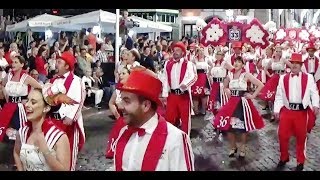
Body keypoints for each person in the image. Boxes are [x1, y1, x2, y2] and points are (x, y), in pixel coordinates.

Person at [112, 67, 194, 171]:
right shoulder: (124, 132)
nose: (120, 106)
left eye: (127, 101)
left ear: (146, 105)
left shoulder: (174, 139)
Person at [274, 53, 319, 171]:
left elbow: (314, 92)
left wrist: (315, 105)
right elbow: (279, 95)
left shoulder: (308, 77)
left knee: (301, 137)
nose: (294, 65)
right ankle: (283, 158)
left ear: (300, 65)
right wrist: (276, 109)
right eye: (293, 63)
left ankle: (300, 161)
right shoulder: (283, 78)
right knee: (282, 135)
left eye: (297, 63)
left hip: (302, 112)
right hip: (287, 111)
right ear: (290, 64)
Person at [213, 56, 264, 158]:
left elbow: (260, 84)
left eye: (239, 62)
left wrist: (253, 95)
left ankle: (243, 148)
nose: (236, 63)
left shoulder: (246, 75)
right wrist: (227, 92)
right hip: (232, 102)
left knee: (242, 127)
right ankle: (233, 147)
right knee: (229, 126)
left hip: (242, 102)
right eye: (235, 61)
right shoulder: (230, 75)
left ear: (243, 64)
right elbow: (225, 86)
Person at [13, 88, 71, 171]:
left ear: (46, 108)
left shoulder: (58, 137)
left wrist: (45, 150)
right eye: (27, 100)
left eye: (33, 102)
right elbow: (16, 152)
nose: (26, 105)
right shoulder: (22, 132)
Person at [46, 51, 86, 171]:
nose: (56, 64)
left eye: (59, 62)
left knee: (68, 152)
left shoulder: (76, 80)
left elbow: (78, 100)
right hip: (53, 121)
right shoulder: (53, 80)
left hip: (68, 124)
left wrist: (70, 117)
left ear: (67, 66)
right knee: (52, 152)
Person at [0, 55, 42, 142]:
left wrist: (30, 99)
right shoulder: (8, 76)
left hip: (20, 108)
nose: (13, 64)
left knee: (21, 130)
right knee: (4, 130)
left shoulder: (26, 77)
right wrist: (6, 95)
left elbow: (40, 87)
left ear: (22, 64)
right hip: (8, 106)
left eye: (16, 62)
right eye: (12, 62)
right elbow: (2, 85)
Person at [163, 42, 197, 135]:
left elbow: (194, 77)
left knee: (185, 119)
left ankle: (185, 138)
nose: (175, 52)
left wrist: (185, 85)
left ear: (183, 52)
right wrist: (165, 94)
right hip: (172, 95)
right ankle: (171, 138)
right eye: (174, 50)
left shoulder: (189, 64)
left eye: (178, 50)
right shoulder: (168, 64)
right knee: (170, 118)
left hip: (183, 95)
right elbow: (165, 78)